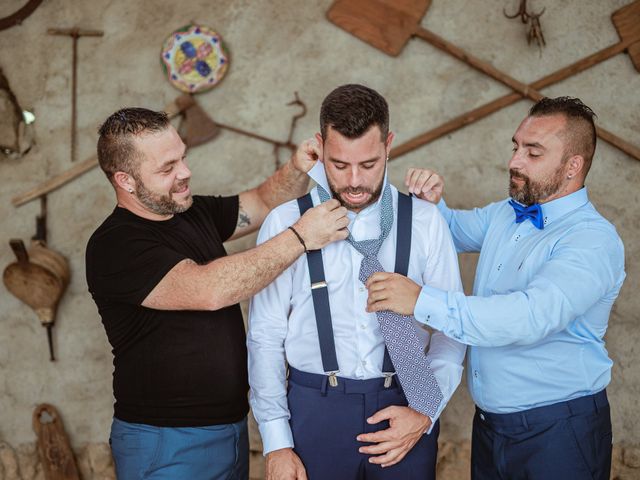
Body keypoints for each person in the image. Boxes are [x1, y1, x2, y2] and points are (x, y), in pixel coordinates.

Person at [367, 96, 626, 480]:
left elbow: (528, 316)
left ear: (573, 166)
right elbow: (450, 230)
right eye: (516, 147)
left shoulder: (592, 240)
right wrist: (429, 204)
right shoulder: (506, 212)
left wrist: (421, 301)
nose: (514, 161)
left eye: (533, 152)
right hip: (490, 427)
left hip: (558, 432)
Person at [85, 107, 350, 479]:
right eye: (167, 168)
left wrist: (296, 168)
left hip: (230, 428)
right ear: (125, 180)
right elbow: (211, 289)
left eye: (183, 157)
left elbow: (260, 203)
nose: (185, 173)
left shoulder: (190, 211)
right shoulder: (115, 245)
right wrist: (302, 237)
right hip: (166, 441)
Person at [248, 84, 466, 480]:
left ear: (389, 145)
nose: (353, 181)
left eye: (368, 164)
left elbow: (453, 327)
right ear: (319, 146)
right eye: (338, 164)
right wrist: (276, 441)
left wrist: (425, 410)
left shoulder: (424, 220)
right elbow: (265, 334)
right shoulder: (285, 222)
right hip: (314, 410)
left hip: (405, 402)